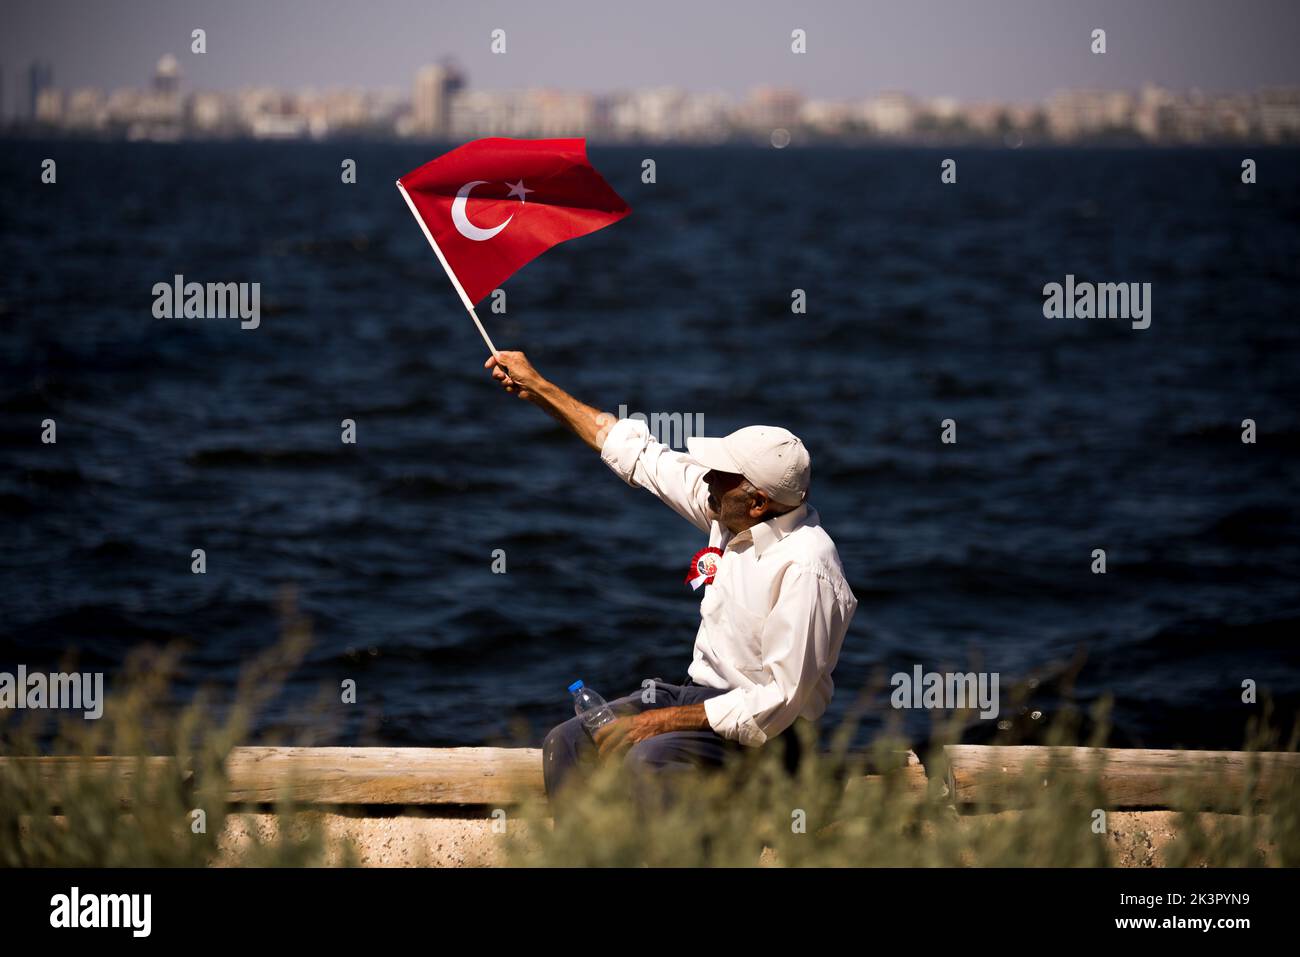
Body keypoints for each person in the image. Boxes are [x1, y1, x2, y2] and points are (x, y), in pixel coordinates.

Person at [485, 350, 857, 815]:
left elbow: (780, 701)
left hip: (770, 738)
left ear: (759, 502)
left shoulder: (807, 566)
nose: (708, 480)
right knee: (569, 743)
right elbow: (636, 453)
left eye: (722, 475)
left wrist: (665, 722)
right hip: (699, 700)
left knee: (649, 758)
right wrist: (538, 387)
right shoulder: (728, 513)